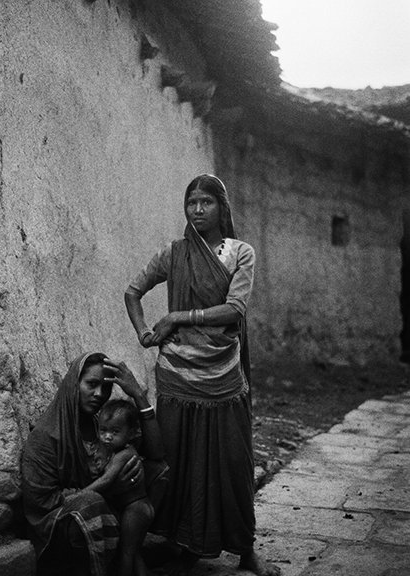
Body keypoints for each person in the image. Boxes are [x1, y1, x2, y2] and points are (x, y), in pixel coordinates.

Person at [125, 174, 281, 576]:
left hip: (224, 372)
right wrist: (143, 332)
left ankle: (244, 549)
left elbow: (235, 309)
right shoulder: (174, 253)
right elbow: (132, 291)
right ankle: (186, 544)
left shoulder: (239, 252)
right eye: (191, 202)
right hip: (176, 374)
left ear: (221, 207)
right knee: (179, 460)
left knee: (232, 460)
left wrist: (177, 315)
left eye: (205, 202)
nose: (197, 209)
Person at [22, 352, 168, 576]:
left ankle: (128, 554)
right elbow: (42, 503)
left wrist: (138, 394)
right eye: (91, 384)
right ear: (73, 384)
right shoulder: (46, 437)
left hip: (104, 504)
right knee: (90, 503)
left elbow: (157, 454)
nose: (100, 394)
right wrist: (108, 486)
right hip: (61, 524)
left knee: (157, 472)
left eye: (106, 387)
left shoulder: (102, 425)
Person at [95, 398, 164, 576]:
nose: (107, 436)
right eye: (103, 430)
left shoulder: (125, 454)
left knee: (126, 553)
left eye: (115, 431)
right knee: (133, 552)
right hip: (139, 508)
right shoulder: (114, 452)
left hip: (136, 508)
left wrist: (83, 493)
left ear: (131, 433)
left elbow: (106, 480)